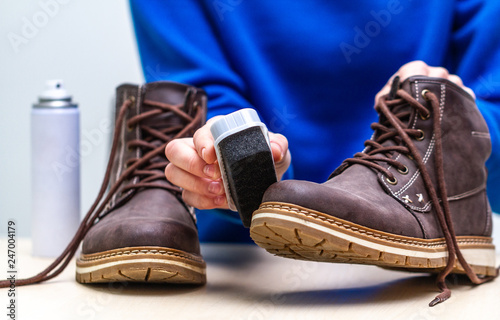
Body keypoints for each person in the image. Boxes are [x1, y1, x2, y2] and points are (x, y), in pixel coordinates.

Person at [129, 0, 500, 243]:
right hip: (246, 258)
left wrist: (454, 116)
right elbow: (202, 97)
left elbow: (492, 102)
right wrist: (232, 165)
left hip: (431, 236)